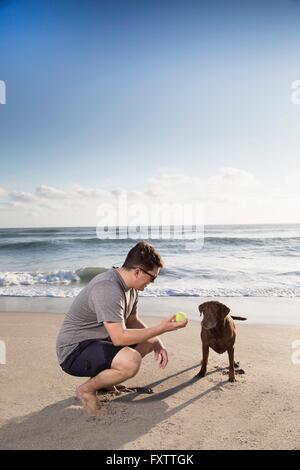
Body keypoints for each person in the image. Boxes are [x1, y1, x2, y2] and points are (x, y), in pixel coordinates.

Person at [56, 240, 188, 414]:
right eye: (152, 277)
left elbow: (133, 320)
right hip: (74, 351)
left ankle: (107, 383)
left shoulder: (131, 288)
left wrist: (157, 342)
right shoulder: (108, 288)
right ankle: (86, 390)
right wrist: (162, 328)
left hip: (97, 342)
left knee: (148, 340)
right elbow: (119, 338)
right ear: (137, 271)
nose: (153, 282)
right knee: (130, 361)